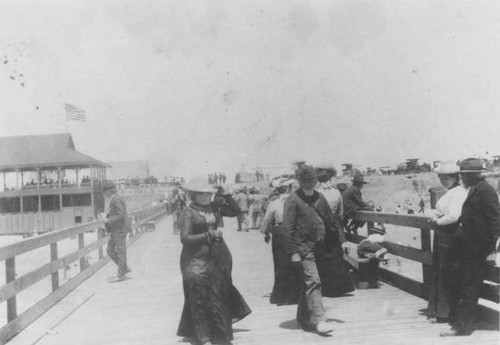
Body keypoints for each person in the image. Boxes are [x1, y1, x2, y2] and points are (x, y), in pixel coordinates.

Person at [176, 184, 251, 345]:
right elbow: (185, 238)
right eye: (205, 193)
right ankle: (204, 337)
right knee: (199, 295)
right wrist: (208, 234)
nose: (209, 196)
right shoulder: (188, 212)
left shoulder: (214, 207)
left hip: (218, 255)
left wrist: (226, 194)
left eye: (210, 193)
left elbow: (236, 211)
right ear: (195, 195)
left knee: (218, 293)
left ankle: (219, 333)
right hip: (195, 258)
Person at [440, 158, 500, 337]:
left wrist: (490, 249)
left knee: (469, 287)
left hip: (477, 250)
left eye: (463, 175)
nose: (461, 178)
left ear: (473, 175)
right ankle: (463, 322)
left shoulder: (486, 192)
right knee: (460, 282)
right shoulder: (475, 189)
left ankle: (463, 327)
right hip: (468, 247)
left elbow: (494, 221)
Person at [283, 165, 344, 336]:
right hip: (303, 248)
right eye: (305, 181)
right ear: (299, 182)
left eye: (312, 181)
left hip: (320, 246)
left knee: (309, 282)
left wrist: (341, 241)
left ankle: (303, 318)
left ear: (316, 181)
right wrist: (293, 252)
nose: (309, 184)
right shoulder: (293, 200)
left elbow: (331, 220)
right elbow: (287, 229)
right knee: (313, 280)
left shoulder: (320, 197)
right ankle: (319, 320)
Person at [426, 162, 468, 321]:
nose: (443, 181)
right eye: (441, 178)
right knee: (441, 271)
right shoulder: (451, 192)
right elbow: (446, 211)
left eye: (447, 178)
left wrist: (437, 222)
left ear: (455, 177)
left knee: (446, 272)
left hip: (450, 234)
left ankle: (446, 312)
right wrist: (434, 213)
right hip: (445, 234)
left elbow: (453, 216)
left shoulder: (458, 192)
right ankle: (441, 310)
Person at [261, 182, 301, 305]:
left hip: (280, 232)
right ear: (290, 189)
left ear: (278, 191)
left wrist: (266, 233)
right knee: (295, 263)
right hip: (295, 232)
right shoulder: (296, 201)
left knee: (280, 264)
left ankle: (282, 296)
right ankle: (296, 295)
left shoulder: (274, 203)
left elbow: (267, 220)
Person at [102, 180, 130, 283]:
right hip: (115, 230)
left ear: (110, 191)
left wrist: (108, 220)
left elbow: (120, 215)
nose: (104, 194)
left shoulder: (116, 199)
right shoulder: (115, 199)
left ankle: (121, 275)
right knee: (110, 250)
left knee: (121, 252)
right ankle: (124, 268)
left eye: (104, 191)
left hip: (119, 230)